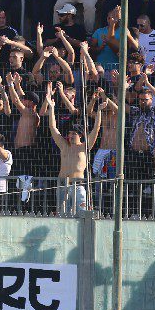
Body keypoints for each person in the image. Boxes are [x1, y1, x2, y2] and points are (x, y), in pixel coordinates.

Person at [43, 84, 103, 215]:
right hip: (63, 183)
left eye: (73, 134)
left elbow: (96, 130)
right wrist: (52, 108)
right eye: (69, 133)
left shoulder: (84, 147)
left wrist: (98, 112)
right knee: (61, 214)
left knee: (81, 214)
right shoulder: (64, 145)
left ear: (80, 135)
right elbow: (53, 128)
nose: (70, 136)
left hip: (78, 185)